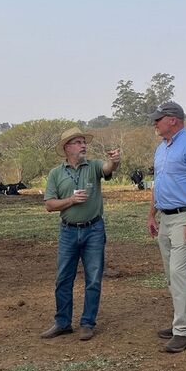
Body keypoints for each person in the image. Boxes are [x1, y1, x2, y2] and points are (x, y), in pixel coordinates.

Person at [40, 127, 121, 341]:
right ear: (67, 147)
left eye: (84, 142)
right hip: (68, 231)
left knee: (93, 278)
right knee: (63, 278)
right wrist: (70, 201)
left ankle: (87, 323)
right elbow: (49, 205)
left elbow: (108, 167)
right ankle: (62, 322)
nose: (83, 145)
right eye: (78, 142)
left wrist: (115, 160)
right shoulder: (56, 173)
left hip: (94, 229)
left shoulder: (93, 166)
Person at [146, 102, 186, 353]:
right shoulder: (161, 149)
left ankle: (182, 332)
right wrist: (152, 215)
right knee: (172, 276)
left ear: (172, 120)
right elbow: (157, 184)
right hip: (166, 218)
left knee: (179, 273)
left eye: (158, 119)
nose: (155, 123)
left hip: (185, 217)